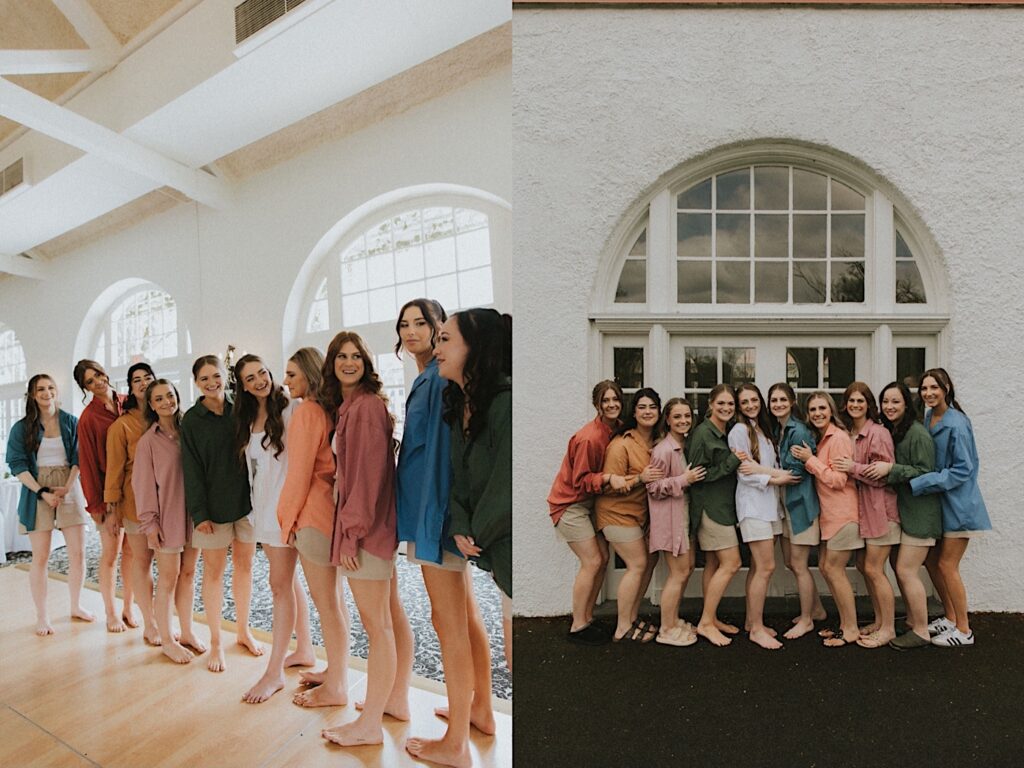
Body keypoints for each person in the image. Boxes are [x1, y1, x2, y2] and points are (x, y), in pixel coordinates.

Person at [397, 300, 497, 768]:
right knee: (465, 614)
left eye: (423, 323)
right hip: (433, 512)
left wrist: (440, 520)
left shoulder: (437, 381)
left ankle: (455, 742)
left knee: (448, 622)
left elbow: (440, 453)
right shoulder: (429, 379)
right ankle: (480, 711)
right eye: (405, 324)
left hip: (432, 513)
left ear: (440, 330)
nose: (413, 330)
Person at [318, 332, 413, 748]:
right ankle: (395, 701)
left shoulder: (368, 407)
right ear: (332, 363)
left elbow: (371, 476)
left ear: (367, 363)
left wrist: (352, 534)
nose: (350, 362)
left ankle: (370, 723)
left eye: (357, 356)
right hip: (370, 528)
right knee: (389, 616)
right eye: (342, 356)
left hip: (367, 531)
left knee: (377, 627)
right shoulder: (350, 407)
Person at [233, 354, 316, 703]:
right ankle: (306, 649)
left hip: (289, 512)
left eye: (262, 373)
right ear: (243, 385)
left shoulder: (293, 409)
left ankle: (274, 672)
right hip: (263, 511)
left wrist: (294, 513)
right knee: (288, 582)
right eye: (249, 378)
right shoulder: (248, 416)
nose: (258, 381)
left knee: (279, 585)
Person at [279, 348, 353, 708]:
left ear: (308, 374)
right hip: (328, 511)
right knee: (334, 602)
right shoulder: (326, 410)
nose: (286, 380)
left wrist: (286, 519)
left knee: (327, 605)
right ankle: (336, 672)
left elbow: (299, 474)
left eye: (292, 374)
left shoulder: (307, 411)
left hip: (312, 515)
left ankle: (337, 686)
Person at [180, 354, 262, 672]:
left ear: (224, 377)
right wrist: (199, 514)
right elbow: (192, 470)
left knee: (245, 568)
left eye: (216, 376)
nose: (211, 383)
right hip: (211, 513)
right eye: (204, 379)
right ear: (197, 383)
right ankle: (216, 640)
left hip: (246, 505)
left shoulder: (240, 408)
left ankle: (242, 630)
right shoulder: (191, 420)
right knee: (213, 575)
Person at [907, 369, 991, 647]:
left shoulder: (957, 423)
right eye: (924, 388)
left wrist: (921, 481)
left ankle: (964, 631)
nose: (928, 393)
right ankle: (951, 617)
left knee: (946, 564)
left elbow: (963, 470)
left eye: (934, 387)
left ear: (946, 389)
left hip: (960, 506)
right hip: (941, 504)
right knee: (932, 561)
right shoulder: (930, 416)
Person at [6, 374, 94, 635]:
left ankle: (76, 605)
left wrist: (68, 486)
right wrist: (42, 491)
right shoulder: (22, 428)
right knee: (41, 557)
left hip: (69, 483)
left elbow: (80, 456)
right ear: (33, 395)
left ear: (57, 391)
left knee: (77, 552)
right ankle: (42, 616)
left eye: (50, 388)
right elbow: (17, 464)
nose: (46, 392)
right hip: (37, 488)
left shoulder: (70, 421)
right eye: (40, 389)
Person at [861, 381, 942, 650]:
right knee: (900, 569)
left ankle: (921, 631)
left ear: (907, 404)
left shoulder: (917, 433)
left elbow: (927, 472)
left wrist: (891, 469)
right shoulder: (894, 431)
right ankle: (911, 621)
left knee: (906, 570)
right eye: (885, 402)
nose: (889, 406)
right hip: (905, 513)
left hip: (921, 515)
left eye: (895, 401)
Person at [133, 379, 207, 664]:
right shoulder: (148, 442)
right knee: (168, 578)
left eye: (171, 395)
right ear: (151, 405)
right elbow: (143, 487)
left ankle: (186, 631)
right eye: (159, 398)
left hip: (195, 516)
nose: (167, 402)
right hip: (167, 519)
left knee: (188, 575)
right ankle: (166, 640)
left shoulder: (190, 431)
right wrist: (150, 525)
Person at [547, 379, 626, 645]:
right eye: (606, 400)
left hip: (589, 505)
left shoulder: (617, 430)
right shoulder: (589, 438)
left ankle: (588, 617)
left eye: (615, 399)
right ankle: (578, 625)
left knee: (602, 558)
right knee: (591, 561)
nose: (612, 404)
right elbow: (581, 480)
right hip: (569, 505)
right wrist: (608, 478)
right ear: (597, 405)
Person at [790, 391, 862, 647]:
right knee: (825, 567)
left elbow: (839, 480)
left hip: (843, 515)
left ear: (831, 410)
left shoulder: (839, 438)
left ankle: (851, 628)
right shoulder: (820, 439)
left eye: (822, 408)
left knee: (834, 569)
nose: (818, 413)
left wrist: (810, 461)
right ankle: (844, 624)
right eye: (812, 410)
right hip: (829, 518)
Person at [832, 382, 900, 649]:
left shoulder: (878, 433)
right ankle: (879, 620)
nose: (855, 405)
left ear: (868, 404)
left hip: (881, 511)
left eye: (860, 401)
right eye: (851, 401)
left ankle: (889, 628)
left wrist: (852, 468)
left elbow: (883, 475)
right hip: (864, 511)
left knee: (873, 568)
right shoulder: (850, 433)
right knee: (866, 567)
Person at [594, 388, 664, 644]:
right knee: (637, 564)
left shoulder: (656, 441)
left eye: (652, 407)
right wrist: (639, 479)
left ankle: (632, 618)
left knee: (649, 561)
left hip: (640, 515)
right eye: (642, 407)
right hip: (616, 514)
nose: (648, 412)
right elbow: (609, 484)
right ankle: (622, 627)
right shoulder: (621, 444)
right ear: (633, 412)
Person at [732, 384, 799, 650]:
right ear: (739, 406)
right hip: (753, 507)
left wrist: (777, 474)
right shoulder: (739, 430)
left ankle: (752, 621)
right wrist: (779, 478)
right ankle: (756, 629)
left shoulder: (763, 428)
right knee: (767, 566)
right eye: (744, 402)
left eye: (753, 400)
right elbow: (744, 472)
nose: (750, 405)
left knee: (759, 567)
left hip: (771, 507)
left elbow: (768, 465)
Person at [74, 359, 135, 632]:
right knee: (110, 555)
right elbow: (86, 464)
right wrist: (97, 504)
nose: (97, 381)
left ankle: (129, 608)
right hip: (107, 497)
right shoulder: (88, 419)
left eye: (98, 374)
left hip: (133, 492)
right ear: (84, 387)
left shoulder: (128, 402)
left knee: (133, 554)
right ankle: (111, 613)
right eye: (90, 381)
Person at [104, 362, 158, 645]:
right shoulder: (121, 426)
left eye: (148, 377)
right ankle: (149, 622)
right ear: (130, 386)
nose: (143, 383)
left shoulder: (166, 416)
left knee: (170, 566)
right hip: (135, 503)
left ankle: (162, 619)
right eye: (136, 379)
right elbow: (113, 471)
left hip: (168, 503)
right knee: (142, 561)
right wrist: (112, 511)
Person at [766, 383, 826, 639]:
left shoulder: (797, 429)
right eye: (774, 400)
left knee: (799, 565)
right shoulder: (780, 429)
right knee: (792, 562)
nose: (777, 404)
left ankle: (806, 620)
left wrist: (761, 473)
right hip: (788, 504)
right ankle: (817, 610)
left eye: (782, 399)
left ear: (792, 401)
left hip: (801, 505)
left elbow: (797, 473)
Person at [686, 384, 744, 647]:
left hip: (724, 506)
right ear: (710, 403)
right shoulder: (702, 434)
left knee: (712, 564)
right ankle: (706, 623)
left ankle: (712, 617)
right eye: (721, 403)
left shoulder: (725, 431)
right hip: (710, 509)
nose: (726, 408)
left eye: (730, 404)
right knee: (731, 562)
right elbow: (698, 476)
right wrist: (732, 461)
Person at [646, 398, 705, 646]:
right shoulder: (663, 450)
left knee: (686, 569)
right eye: (677, 417)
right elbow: (652, 487)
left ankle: (674, 619)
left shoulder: (685, 445)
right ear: (667, 420)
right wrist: (684, 479)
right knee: (678, 573)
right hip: (670, 522)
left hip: (683, 518)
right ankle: (666, 629)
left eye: (687, 416)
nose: (683, 421)